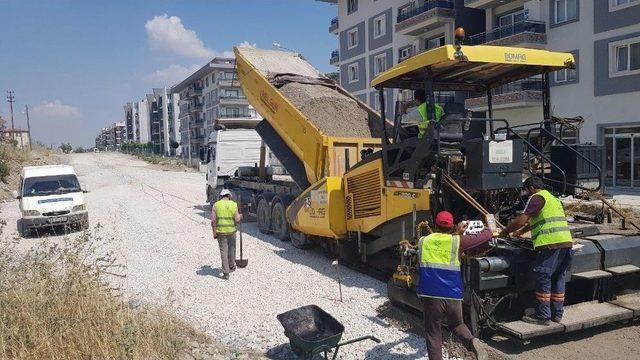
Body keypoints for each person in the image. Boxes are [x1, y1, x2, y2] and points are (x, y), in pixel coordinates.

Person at [499, 176, 573, 325]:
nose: (526, 194)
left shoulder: (536, 198)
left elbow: (522, 219)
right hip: (565, 242)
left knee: (543, 276)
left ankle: (543, 316)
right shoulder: (553, 199)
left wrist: (505, 231)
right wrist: (522, 232)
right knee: (558, 277)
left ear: (531, 188)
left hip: (550, 244)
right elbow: (540, 219)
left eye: (526, 191)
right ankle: (557, 314)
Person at [418, 211, 491, 360]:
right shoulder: (458, 241)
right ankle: (472, 341)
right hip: (452, 294)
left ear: (435, 225)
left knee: (433, 333)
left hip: (431, 295)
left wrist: (456, 232)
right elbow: (487, 235)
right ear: (452, 226)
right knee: (457, 325)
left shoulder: (423, 241)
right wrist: (488, 225)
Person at [211, 189, 243, 280]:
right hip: (231, 232)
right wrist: (240, 216)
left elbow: (213, 221)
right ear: (229, 196)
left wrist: (214, 233)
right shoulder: (233, 204)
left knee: (223, 252)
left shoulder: (216, 205)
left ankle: (226, 273)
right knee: (232, 249)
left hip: (221, 232)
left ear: (221, 196)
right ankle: (232, 266)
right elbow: (237, 219)